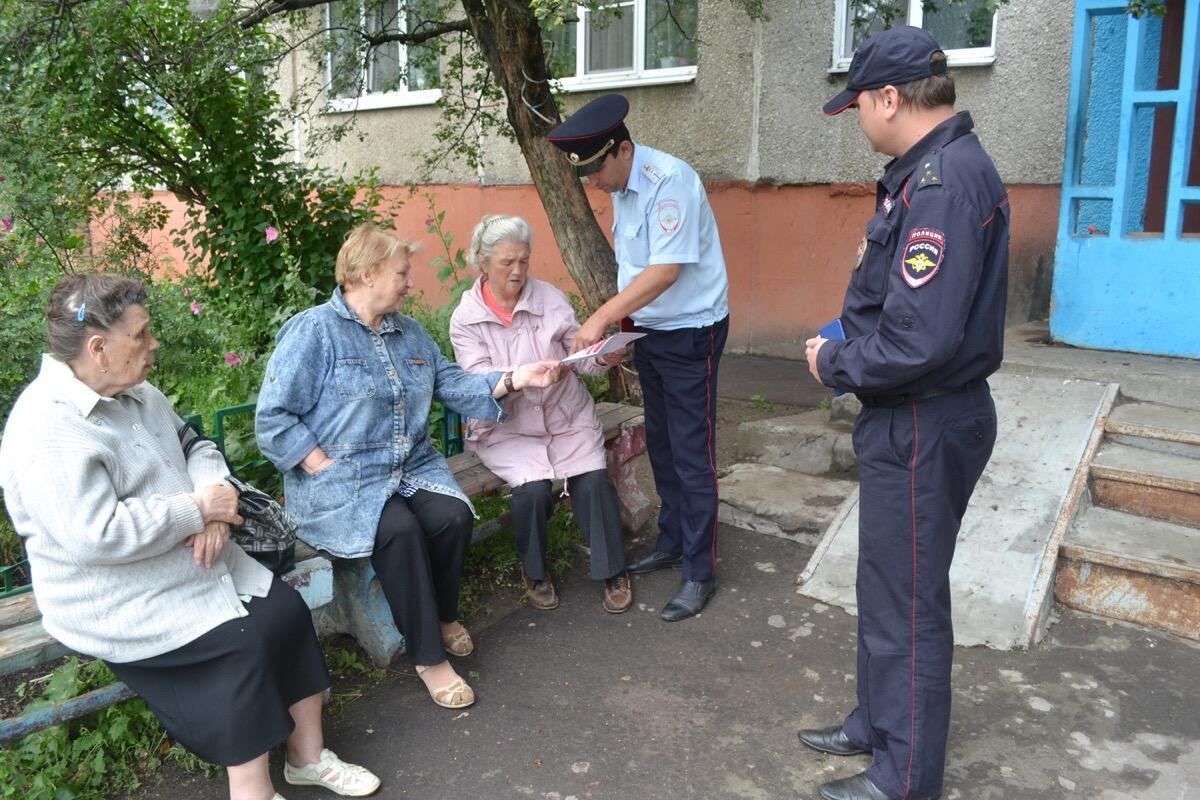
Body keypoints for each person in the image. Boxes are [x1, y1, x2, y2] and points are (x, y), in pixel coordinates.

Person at [0, 274, 380, 800]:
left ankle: (307, 758)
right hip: (115, 592)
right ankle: (253, 791)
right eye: (142, 334)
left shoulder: (139, 393)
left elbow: (196, 446)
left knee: (287, 615)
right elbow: (97, 536)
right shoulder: (48, 430)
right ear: (98, 348)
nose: (154, 344)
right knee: (239, 646)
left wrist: (216, 507)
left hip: (195, 559)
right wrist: (195, 510)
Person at [798, 27, 1008, 800]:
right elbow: (900, 306)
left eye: (857, 103)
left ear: (890, 99)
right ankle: (877, 723)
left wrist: (835, 362)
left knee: (909, 603)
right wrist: (849, 336)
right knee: (886, 583)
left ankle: (904, 776)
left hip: (925, 415)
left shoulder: (944, 184)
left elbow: (918, 337)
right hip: (912, 416)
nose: (856, 118)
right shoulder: (926, 172)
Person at [255, 223, 560, 711]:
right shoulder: (314, 332)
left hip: (409, 467)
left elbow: (454, 385)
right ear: (367, 273)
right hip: (344, 479)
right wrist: (318, 464)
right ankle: (429, 658)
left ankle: (439, 613)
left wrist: (516, 378)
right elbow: (273, 418)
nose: (410, 283)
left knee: (451, 516)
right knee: (399, 531)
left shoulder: (409, 332)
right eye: (401, 273)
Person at [547, 94, 730, 622]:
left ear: (623, 149)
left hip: (692, 335)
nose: (593, 184)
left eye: (596, 170)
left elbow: (664, 271)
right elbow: (635, 273)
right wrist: (618, 335)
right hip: (649, 334)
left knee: (694, 454)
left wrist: (601, 317)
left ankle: (700, 570)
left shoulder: (669, 182)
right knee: (667, 446)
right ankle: (673, 540)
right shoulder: (623, 184)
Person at [448, 214, 633, 613]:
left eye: (524, 261)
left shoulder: (549, 298)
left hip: (566, 416)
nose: (518, 272)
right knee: (531, 493)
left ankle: (613, 570)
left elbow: (578, 355)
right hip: (508, 428)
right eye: (507, 263)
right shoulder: (466, 318)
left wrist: (603, 356)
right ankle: (534, 571)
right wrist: (521, 378)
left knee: (593, 481)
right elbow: (478, 384)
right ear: (482, 263)